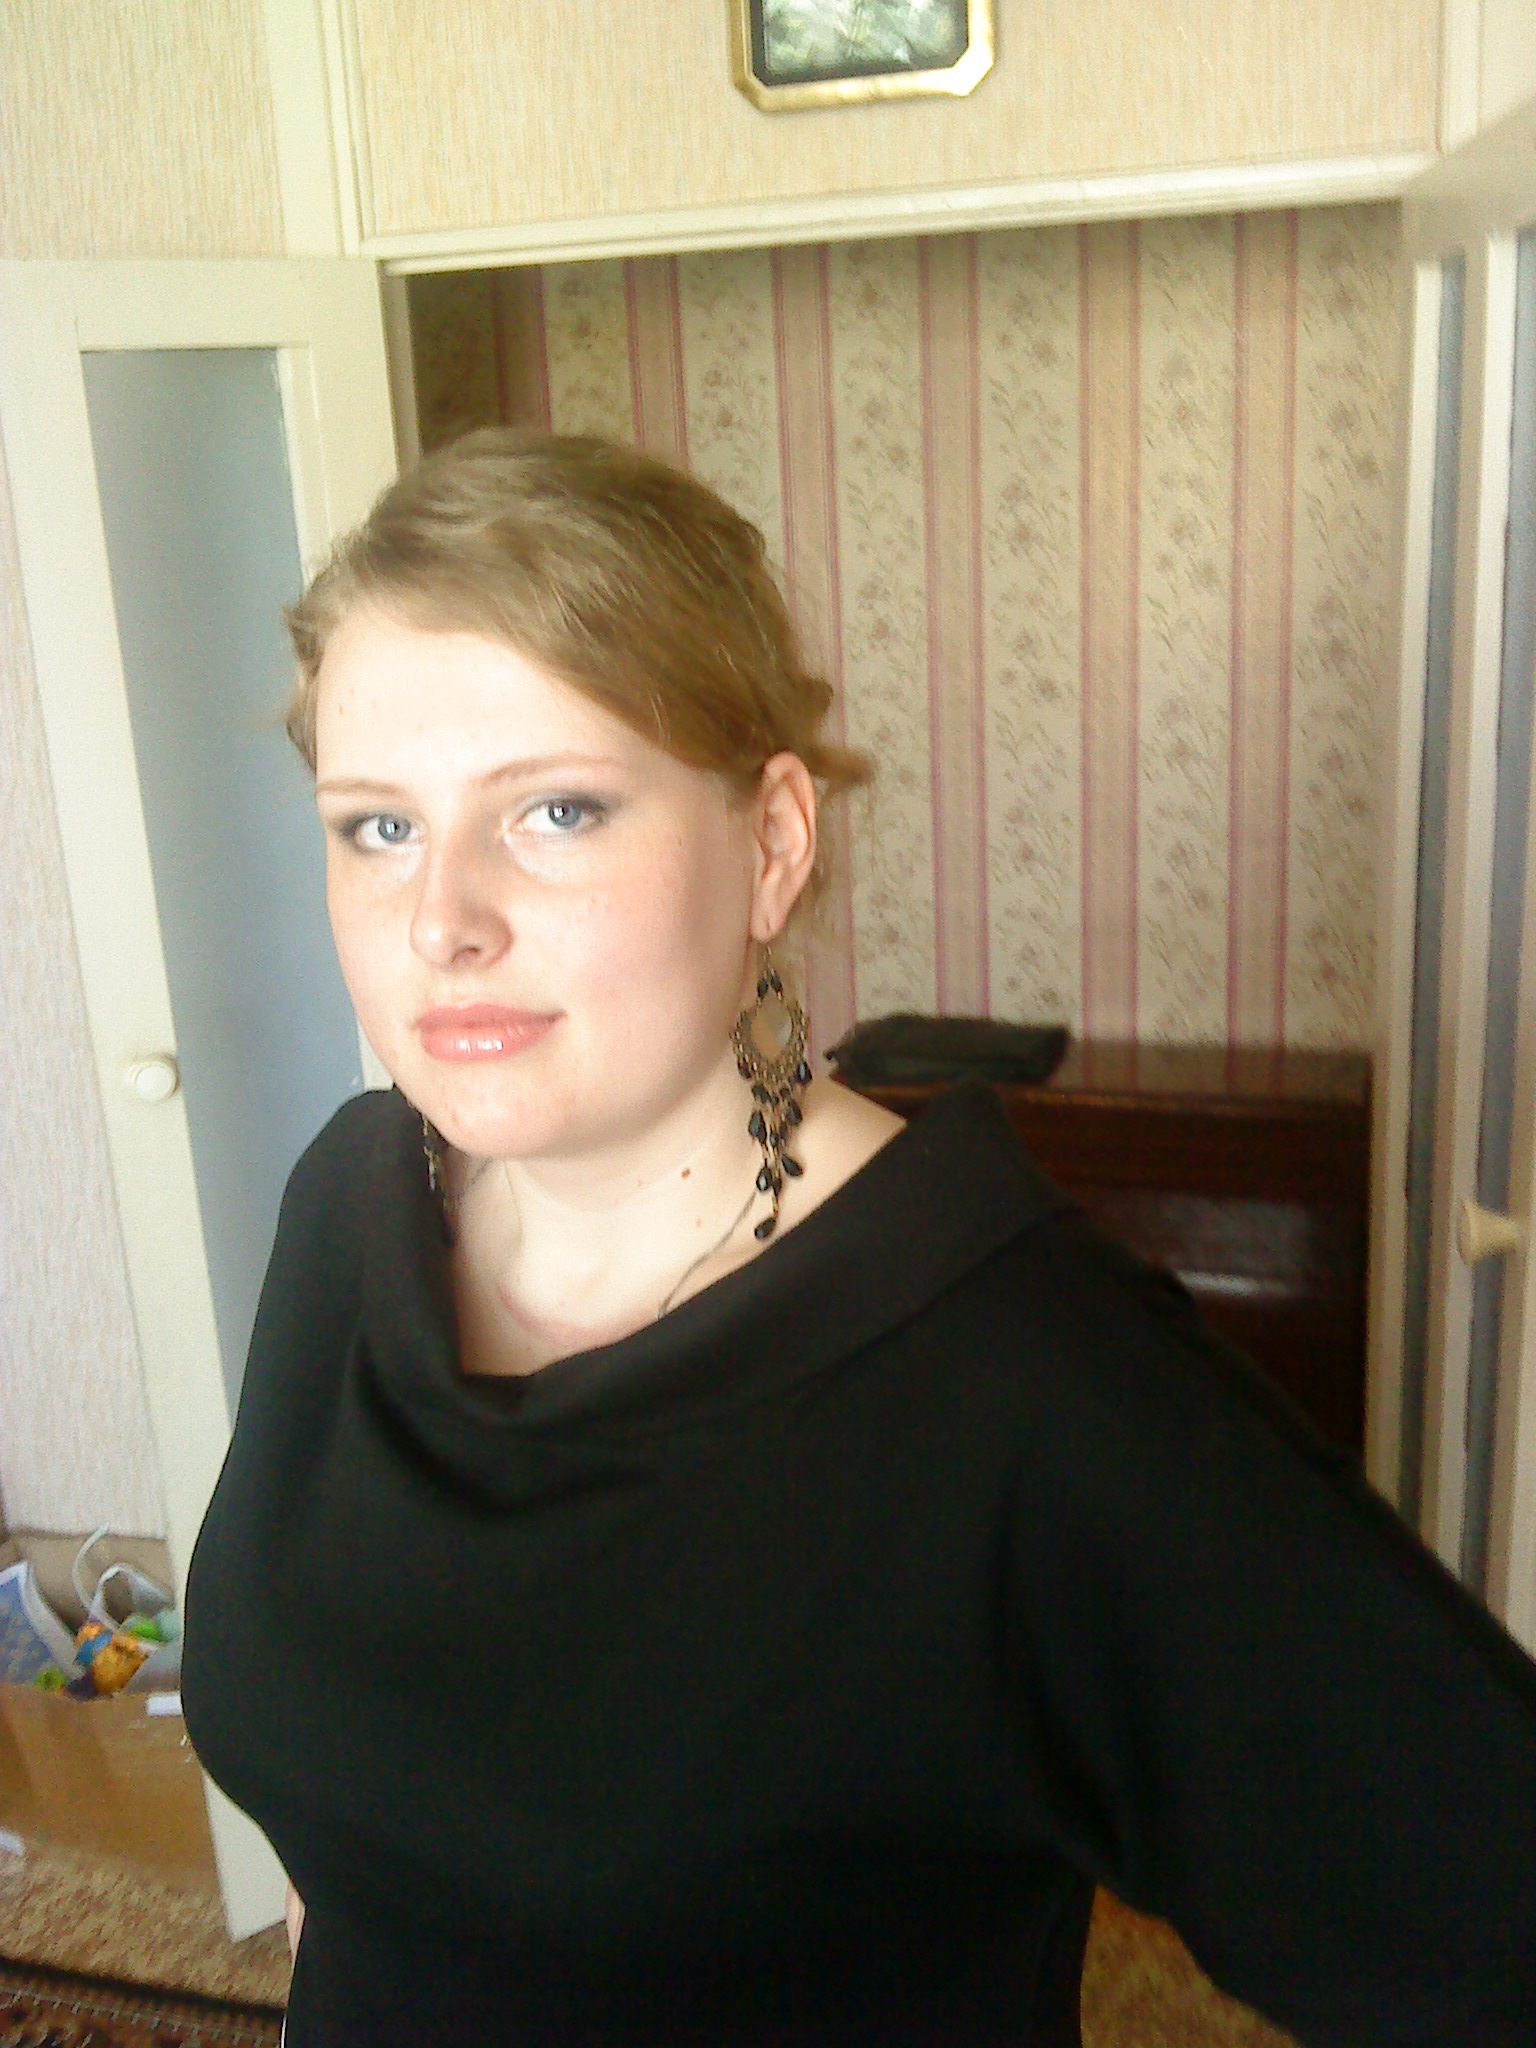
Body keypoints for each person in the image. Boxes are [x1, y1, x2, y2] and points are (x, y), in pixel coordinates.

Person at [183, 430, 1536, 2048]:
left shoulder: (1023, 1381)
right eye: (377, 828)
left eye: (555, 809)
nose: (440, 922)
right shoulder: (347, 1204)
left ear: (772, 843)